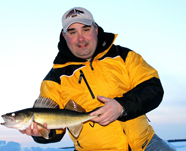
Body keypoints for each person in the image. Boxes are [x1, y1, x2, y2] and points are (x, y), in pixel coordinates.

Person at [20, 7, 176, 151]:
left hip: (145, 143)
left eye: (86, 29)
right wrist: (41, 134)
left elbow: (153, 88)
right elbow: (55, 130)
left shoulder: (124, 56)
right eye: (73, 32)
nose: (80, 38)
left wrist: (121, 107)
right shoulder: (54, 79)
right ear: (64, 36)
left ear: (95, 29)